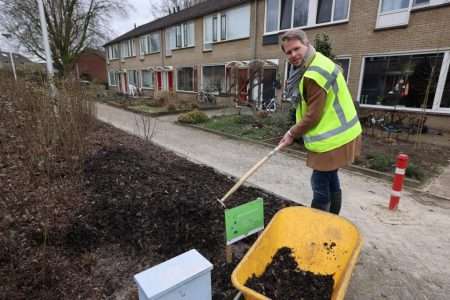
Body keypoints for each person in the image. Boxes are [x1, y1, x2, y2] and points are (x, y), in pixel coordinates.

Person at [278, 29, 362, 215]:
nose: (293, 55)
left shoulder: (313, 74)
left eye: (296, 49)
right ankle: (332, 218)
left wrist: (292, 133)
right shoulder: (318, 60)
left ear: (306, 44)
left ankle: (318, 224)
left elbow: (313, 116)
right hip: (345, 133)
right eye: (288, 52)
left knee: (319, 184)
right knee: (331, 177)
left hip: (333, 139)